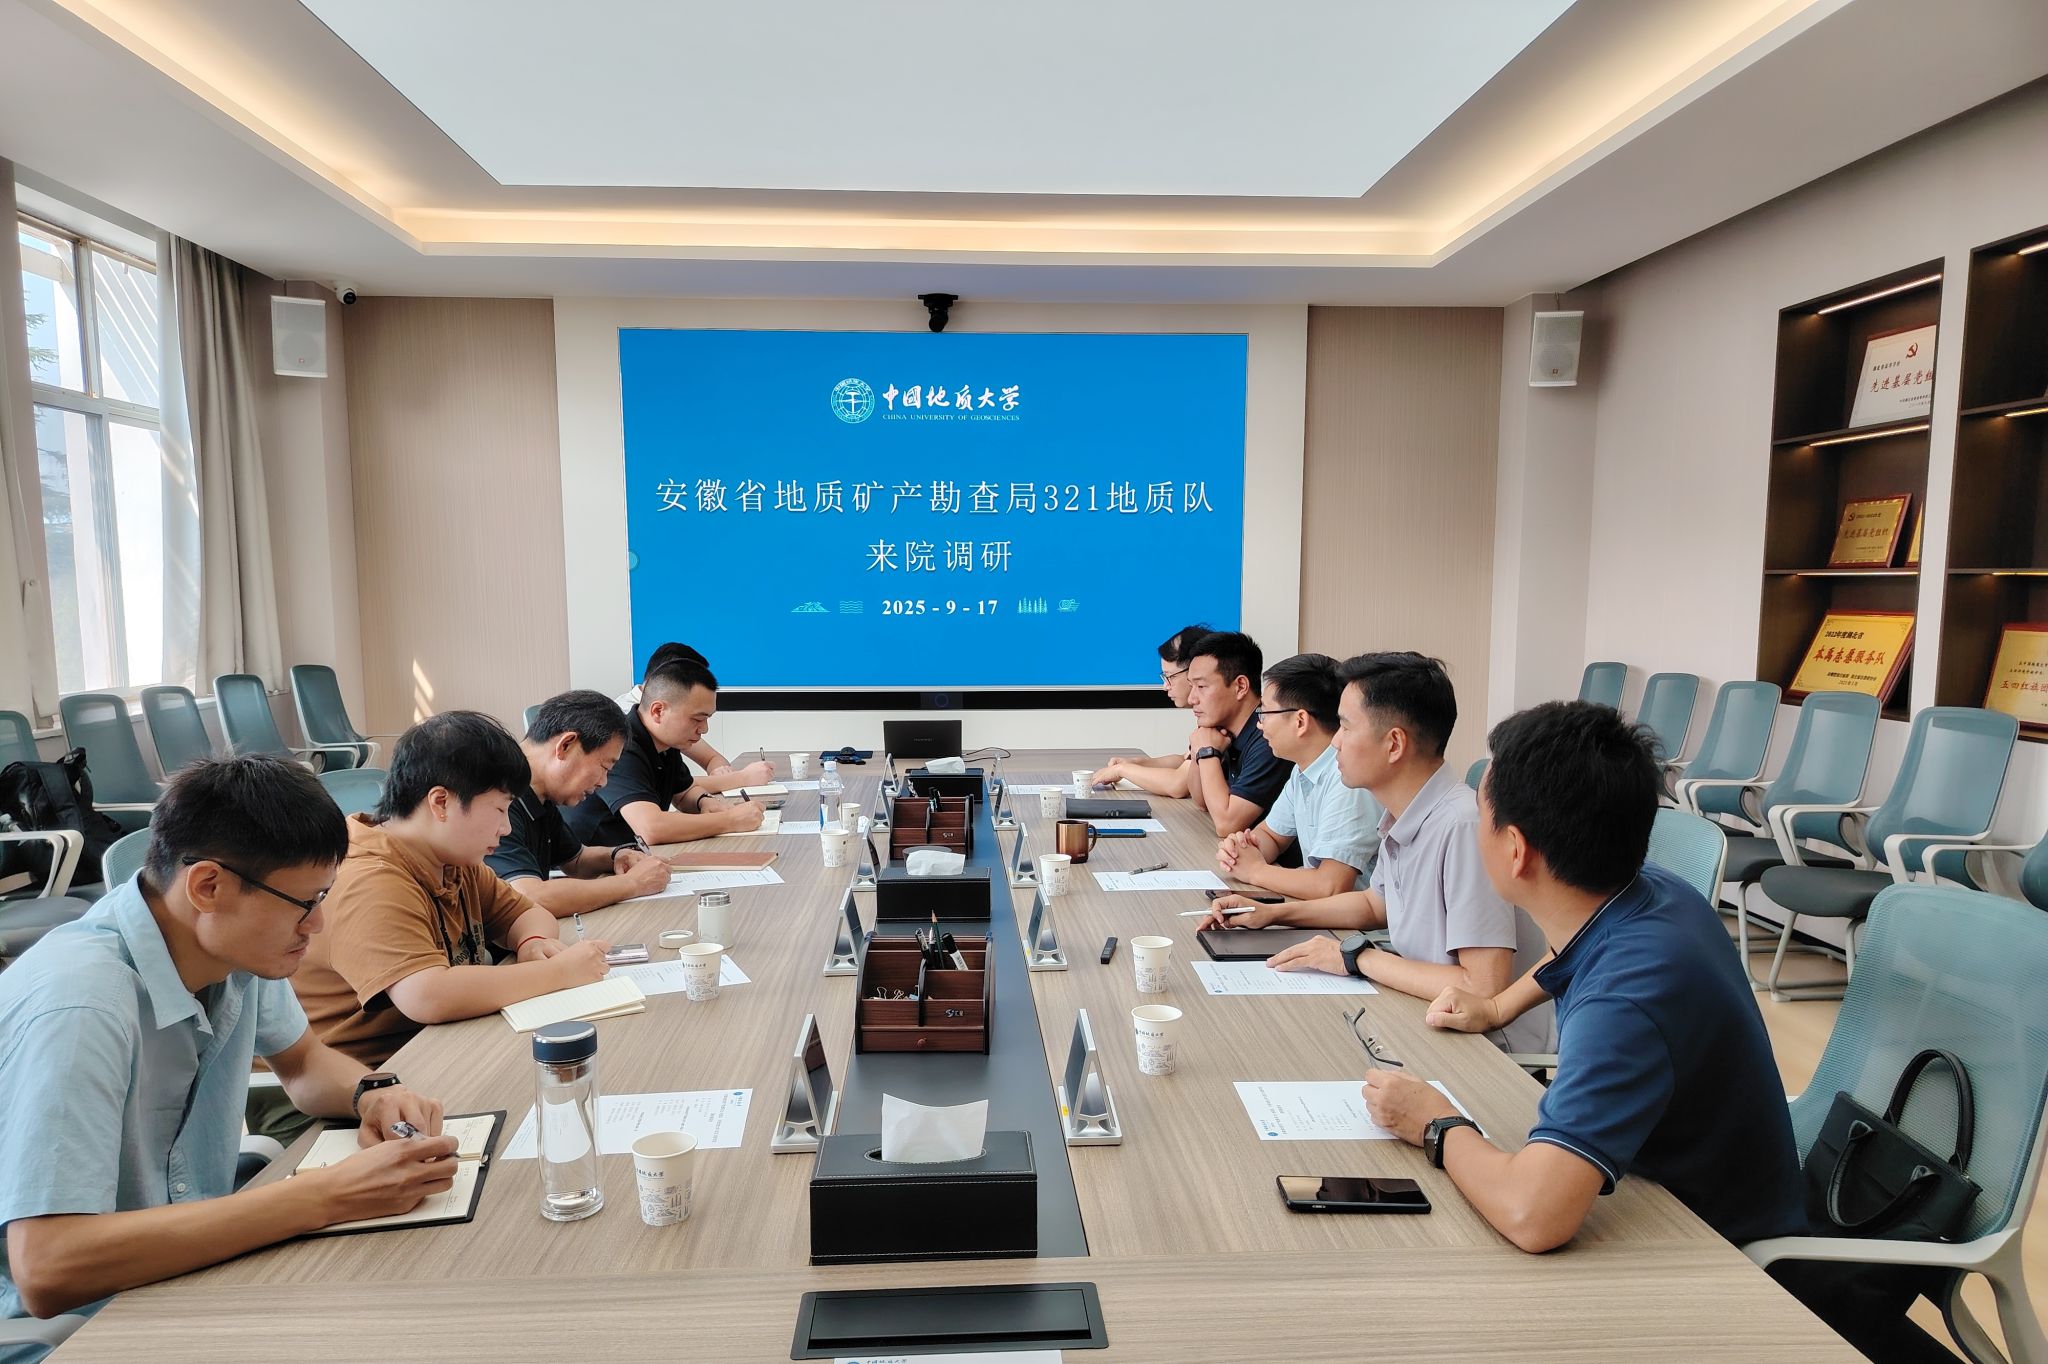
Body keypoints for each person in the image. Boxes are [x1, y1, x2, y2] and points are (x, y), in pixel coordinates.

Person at [1411, 702, 1947, 1364]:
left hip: (1710, 1251)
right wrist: (1497, 1008)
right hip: (1688, 1191)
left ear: (1516, 850)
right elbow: (1568, 948)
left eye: (1481, 817)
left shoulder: (1627, 998)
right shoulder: (1649, 893)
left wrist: (1436, 1125)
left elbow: (1534, 1214)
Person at [0, 755, 461, 1351]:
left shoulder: (228, 947)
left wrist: (371, 1092)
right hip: (75, 1329)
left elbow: (304, 1063)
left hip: (186, 1271)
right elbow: (48, 1267)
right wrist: (325, 1196)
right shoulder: (82, 1006)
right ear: (208, 886)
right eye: (305, 902)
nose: (317, 924)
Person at [274, 712, 613, 1134]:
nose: (506, 827)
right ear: (441, 803)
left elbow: (528, 912)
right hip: (353, 1093)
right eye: (499, 809)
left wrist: (531, 943)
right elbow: (426, 995)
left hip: (428, 1058)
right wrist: (559, 971)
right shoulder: (371, 878)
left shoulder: (452, 860)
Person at [1203, 651, 1550, 1052]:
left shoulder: (1462, 827)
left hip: (1484, 1051)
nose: (1334, 741)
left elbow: (1483, 987)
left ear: (1394, 744)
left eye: (1346, 727)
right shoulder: (1404, 813)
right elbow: (1373, 904)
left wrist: (1355, 957)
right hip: (1419, 1014)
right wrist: (1272, 914)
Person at [485, 690, 675, 916]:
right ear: (566, 745)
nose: (603, 782)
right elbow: (530, 897)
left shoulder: (539, 792)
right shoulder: (497, 795)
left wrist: (617, 855)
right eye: (604, 767)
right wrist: (633, 883)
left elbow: (575, 860)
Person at [1214, 653, 1381, 900]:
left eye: (1264, 713)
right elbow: (1272, 836)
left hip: (1351, 921)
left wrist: (1256, 871)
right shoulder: (1304, 767)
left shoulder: (1347, 779)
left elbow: (1331, 886)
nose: (1259, 724)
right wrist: (1242, 849)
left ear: (1300, 721)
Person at [568, 656, 765, 846]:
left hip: (634, 854)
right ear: (658, 711)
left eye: (707, 719)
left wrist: (703, 801)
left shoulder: (665, 743)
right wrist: (730, 820)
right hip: (594, 861)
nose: (704, 729)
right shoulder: (621, 745)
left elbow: (684, 792)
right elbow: (650, 828)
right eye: (697, 719)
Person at [612, 643, 773, 795]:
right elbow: (669, 791)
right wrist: (740, 779)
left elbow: (708, 761)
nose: (704, 729)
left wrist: (720, 777)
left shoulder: (668, 732)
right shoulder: (625, 724)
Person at [1180, 631, 1290, 837]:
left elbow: (1226, 824)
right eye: (1191, 686)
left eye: (1201, 686)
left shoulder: (1268, 737)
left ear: (1240, 687)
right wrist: (1199, 750)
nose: (1191, 698)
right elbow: (1201, 801)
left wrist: (1207, 752)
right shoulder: (1222, 731)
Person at [1088, 622, 1209, 798]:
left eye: (1170, 677)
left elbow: (1177, 785)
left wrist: (1122, 770)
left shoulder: (1216, 717)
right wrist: (1135, 763)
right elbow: (1184, 760)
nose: (1165, 686)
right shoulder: (1205, 717)